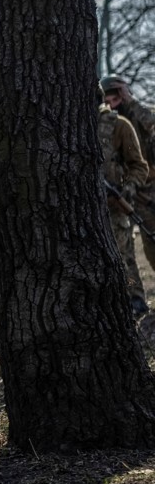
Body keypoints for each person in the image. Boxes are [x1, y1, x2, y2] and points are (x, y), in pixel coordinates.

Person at [103, 74, 155, 312]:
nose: (114, 103)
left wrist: (130, 101)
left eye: (117, 97)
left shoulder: (139, 115)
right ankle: (135, 298)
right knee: (144, 250)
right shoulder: (111, 124)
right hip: (132, 192)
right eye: (109, 99)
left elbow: (152, 124)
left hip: (146, 185)